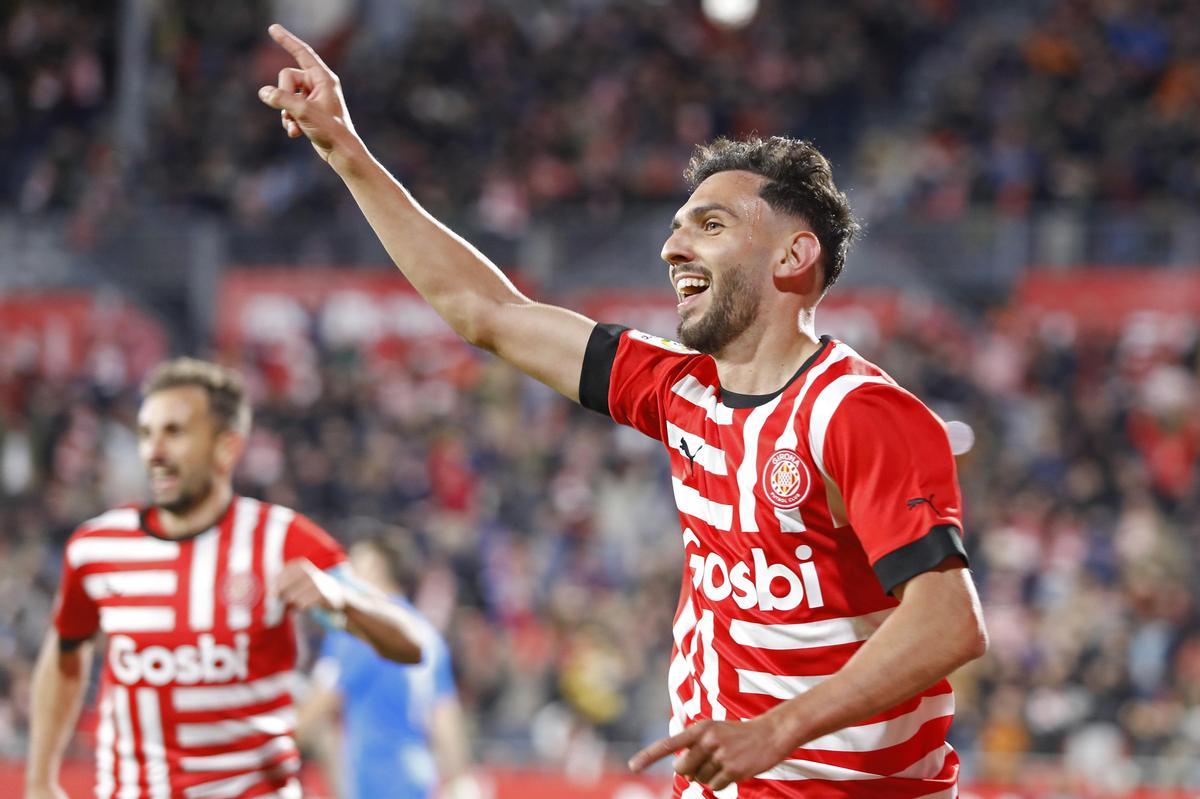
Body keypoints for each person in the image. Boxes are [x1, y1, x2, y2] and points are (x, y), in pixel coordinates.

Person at [258, 24, 989, 798]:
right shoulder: (679, 388)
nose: (675, 247)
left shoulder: (858, 411)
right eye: (676, 227)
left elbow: (949, 620)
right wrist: (346, 152)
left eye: (710, 225)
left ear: (792, 256)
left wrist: (774, 730)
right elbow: (487, 312)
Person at [25, 358, 425, 799]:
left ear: (226, 447)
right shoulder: (96, 549)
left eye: (174, 433)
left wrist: (344, 600)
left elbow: (410, 643)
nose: (154, 451)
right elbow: (65, 656)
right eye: (146, 433)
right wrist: (40, 778)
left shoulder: (283, 540)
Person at [297, 534, 476, 799]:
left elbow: (318, 707)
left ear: (375, 569)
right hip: (418, 780)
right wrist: (460, 780)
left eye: (352, 566)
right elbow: (445, 718)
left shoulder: (359, 632)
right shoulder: (428, 635)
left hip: (373, 780)